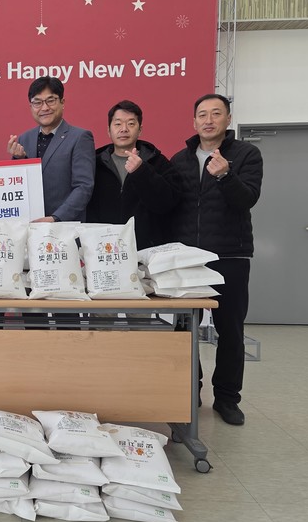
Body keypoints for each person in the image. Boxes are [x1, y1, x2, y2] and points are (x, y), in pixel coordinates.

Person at [169, 93, 263, 426]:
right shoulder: (180, 159)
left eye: (216, 113)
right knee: (184, 329)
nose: (208, 120)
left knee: (230, 331)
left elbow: (247, 199)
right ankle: (190, 391)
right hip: (188, 258)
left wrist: (225, 175)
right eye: (202, 114)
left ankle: (227, 398)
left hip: (230, 254)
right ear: (194, 121)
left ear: (227, 119)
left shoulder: (246, 154)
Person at [86, 100, 181, 249]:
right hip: (105, 249)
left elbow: (167, 203)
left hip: (147, 251)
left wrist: (141, 171)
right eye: (118, 124)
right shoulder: (94, 164)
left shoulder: (157, 162)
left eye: (131, 124)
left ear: (140, 130)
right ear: (109, 130)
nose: (124, 129)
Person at [7, 76, 95, 222]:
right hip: (29, 226)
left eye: (51, 100)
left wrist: (56, 218)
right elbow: (17, 186)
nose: (45, 108)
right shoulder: (24, 139)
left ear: (62, 102)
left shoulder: (80, 137)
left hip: (65, 226)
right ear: (31, 107)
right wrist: (18, 159)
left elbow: (83, 186)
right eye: (37, 102)